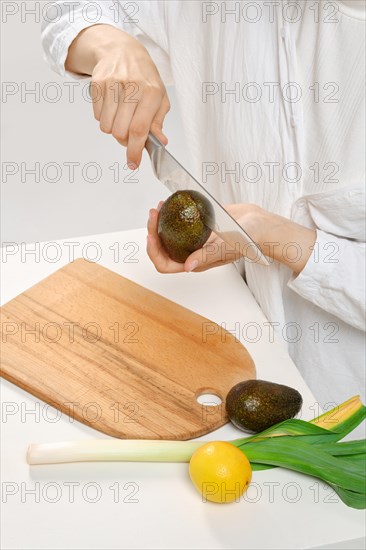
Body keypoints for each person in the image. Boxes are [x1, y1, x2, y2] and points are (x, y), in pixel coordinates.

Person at [41, 1, 365, 415]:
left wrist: (285, 241)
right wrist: (111, 44)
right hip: (233, 357)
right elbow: (66, 17)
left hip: (348, 413)